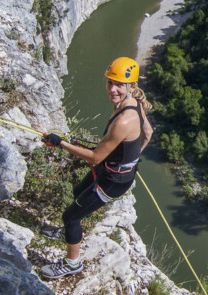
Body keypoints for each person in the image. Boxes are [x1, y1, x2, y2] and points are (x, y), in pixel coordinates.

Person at [40, 57, 153, 279]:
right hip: (113, 171)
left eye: (119, 85)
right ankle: (70, 234)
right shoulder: (135, 102)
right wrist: (129, 157)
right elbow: (147, 133)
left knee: (70, 217)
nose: (112, 89)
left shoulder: (123, 120)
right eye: (110, 82)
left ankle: (72, 264)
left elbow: (94, 157)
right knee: (77, 193)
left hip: (113, 181)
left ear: (130, 86)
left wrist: (60, 142)